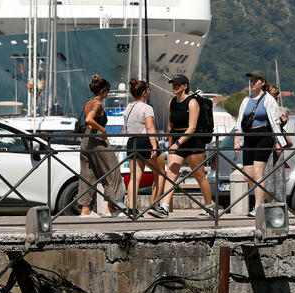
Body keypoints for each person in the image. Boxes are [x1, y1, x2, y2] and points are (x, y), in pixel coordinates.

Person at [158, 74, 215, 217]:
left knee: (199, 175)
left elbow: (192, 128)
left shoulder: (192, 102)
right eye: (173, 84)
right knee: (171, 172)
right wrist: (170, 145)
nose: (174, 86)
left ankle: (209, 206)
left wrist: (177, 144)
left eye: (177, 84)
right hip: (177, 140)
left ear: (185, 86)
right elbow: (170, 126)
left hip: (193, 140)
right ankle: (164, 207)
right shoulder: (172, 102)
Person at [234, 70, 289, 216]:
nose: (252, 82)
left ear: (262, 83)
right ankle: (267, 195)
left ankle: (258, 208)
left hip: (264, 136)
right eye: (251, 80)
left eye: (255, 80)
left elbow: (275, 121)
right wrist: (236, 139)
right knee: (248, 175)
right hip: (248, 137)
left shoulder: (268, 99)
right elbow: (239, 120)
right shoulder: (246, 100)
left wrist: (278, 142)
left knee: (258, 174)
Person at [76, 74, 126, 217]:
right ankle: (112, 208)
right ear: (103, 91)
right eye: (108, 91)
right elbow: (89, 119)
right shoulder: (97, 104)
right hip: (98, 140)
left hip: (86, 140)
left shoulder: (88, 102)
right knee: (112, 170)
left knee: (88, 174)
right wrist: (103, 130)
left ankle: (86, 210)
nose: (108, 94)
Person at [124, 78, 167, 219]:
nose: (149, 92)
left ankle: (132, 209)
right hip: (145, 142)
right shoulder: (147, 108)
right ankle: (155, 205)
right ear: (143, 93)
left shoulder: (128, 107)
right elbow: (150, 128)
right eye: (148, 90)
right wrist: (155, 146)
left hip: (132, 143)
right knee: (161, 173)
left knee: (134, 178)